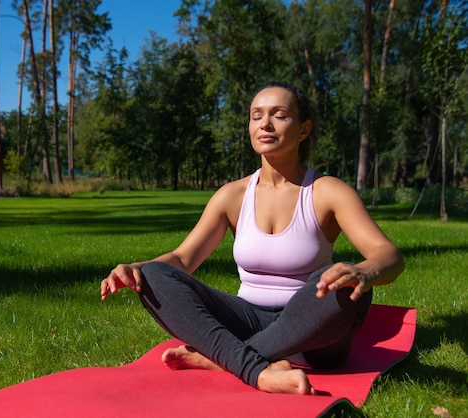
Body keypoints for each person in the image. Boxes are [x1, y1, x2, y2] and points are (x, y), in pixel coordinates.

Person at [100, 81, 404, 395]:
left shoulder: (328, 191)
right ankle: (256, 367)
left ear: (303, 129)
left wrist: (366, 271)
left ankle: (227, 358)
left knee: (347, 285)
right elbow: (183, 259)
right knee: (153, 275)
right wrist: (137, 268)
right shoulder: (232, 195)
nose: (265, 124)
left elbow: (388, 255)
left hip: (311, 333)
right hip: (244, 318)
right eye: (256, 116)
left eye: (280, 115)